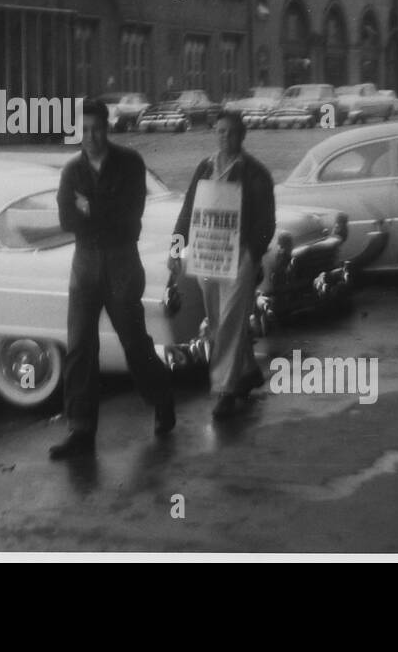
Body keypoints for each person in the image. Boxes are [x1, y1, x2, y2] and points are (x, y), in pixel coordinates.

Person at [50, 99, 175, 460]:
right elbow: (65, 220)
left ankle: (162, 398)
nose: (90, 136)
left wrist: (90, 208)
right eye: (84, 129)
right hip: (85, 265)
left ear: (108, 128)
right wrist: (92, 211)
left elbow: (130, 217)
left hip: (122, 263)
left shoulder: (130, 163)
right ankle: (80, 429)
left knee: (133, 342)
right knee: (79, 347)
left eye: (97, 128)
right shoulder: (71, 171)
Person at [170, 113, 275, 419]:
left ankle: (224, 390)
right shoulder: (204, 167)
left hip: (239, 256)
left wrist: (253, 255)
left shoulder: (256, 174)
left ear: (242, 136)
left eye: (230, 133)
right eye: (220, 132)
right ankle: (248, 370)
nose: (224, 138)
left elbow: (266, 222)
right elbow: (189, 210)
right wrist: (176, 249)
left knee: (229, 320)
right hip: (207, 254)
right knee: (219, 321)